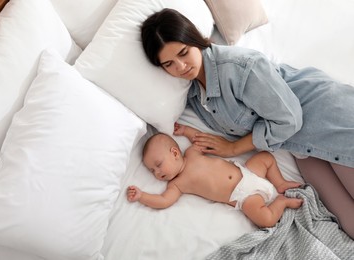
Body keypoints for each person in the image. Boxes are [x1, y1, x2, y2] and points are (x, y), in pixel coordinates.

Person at [140, 8, 354, 238]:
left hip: (325, 115)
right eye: (169, 64)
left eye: (183, 53)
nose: (180, 67)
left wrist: (233, 148)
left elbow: (289, 119)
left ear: (194, 40)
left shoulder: (240, 67)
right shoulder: (193, 94)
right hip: (299, 144)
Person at [127, 123, 303, 228]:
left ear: (174, 153)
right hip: (244, 196)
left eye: (158, 165)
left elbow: (200, 139)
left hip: (247, 172)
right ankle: (282, 202)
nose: (157, 173)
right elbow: (164, 201)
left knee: (266, 157)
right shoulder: (177, 185)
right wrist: (142, 196)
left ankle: (279, 183)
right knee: (266, 220)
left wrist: (185, 130)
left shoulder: (192, 153)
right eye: (152, 171)